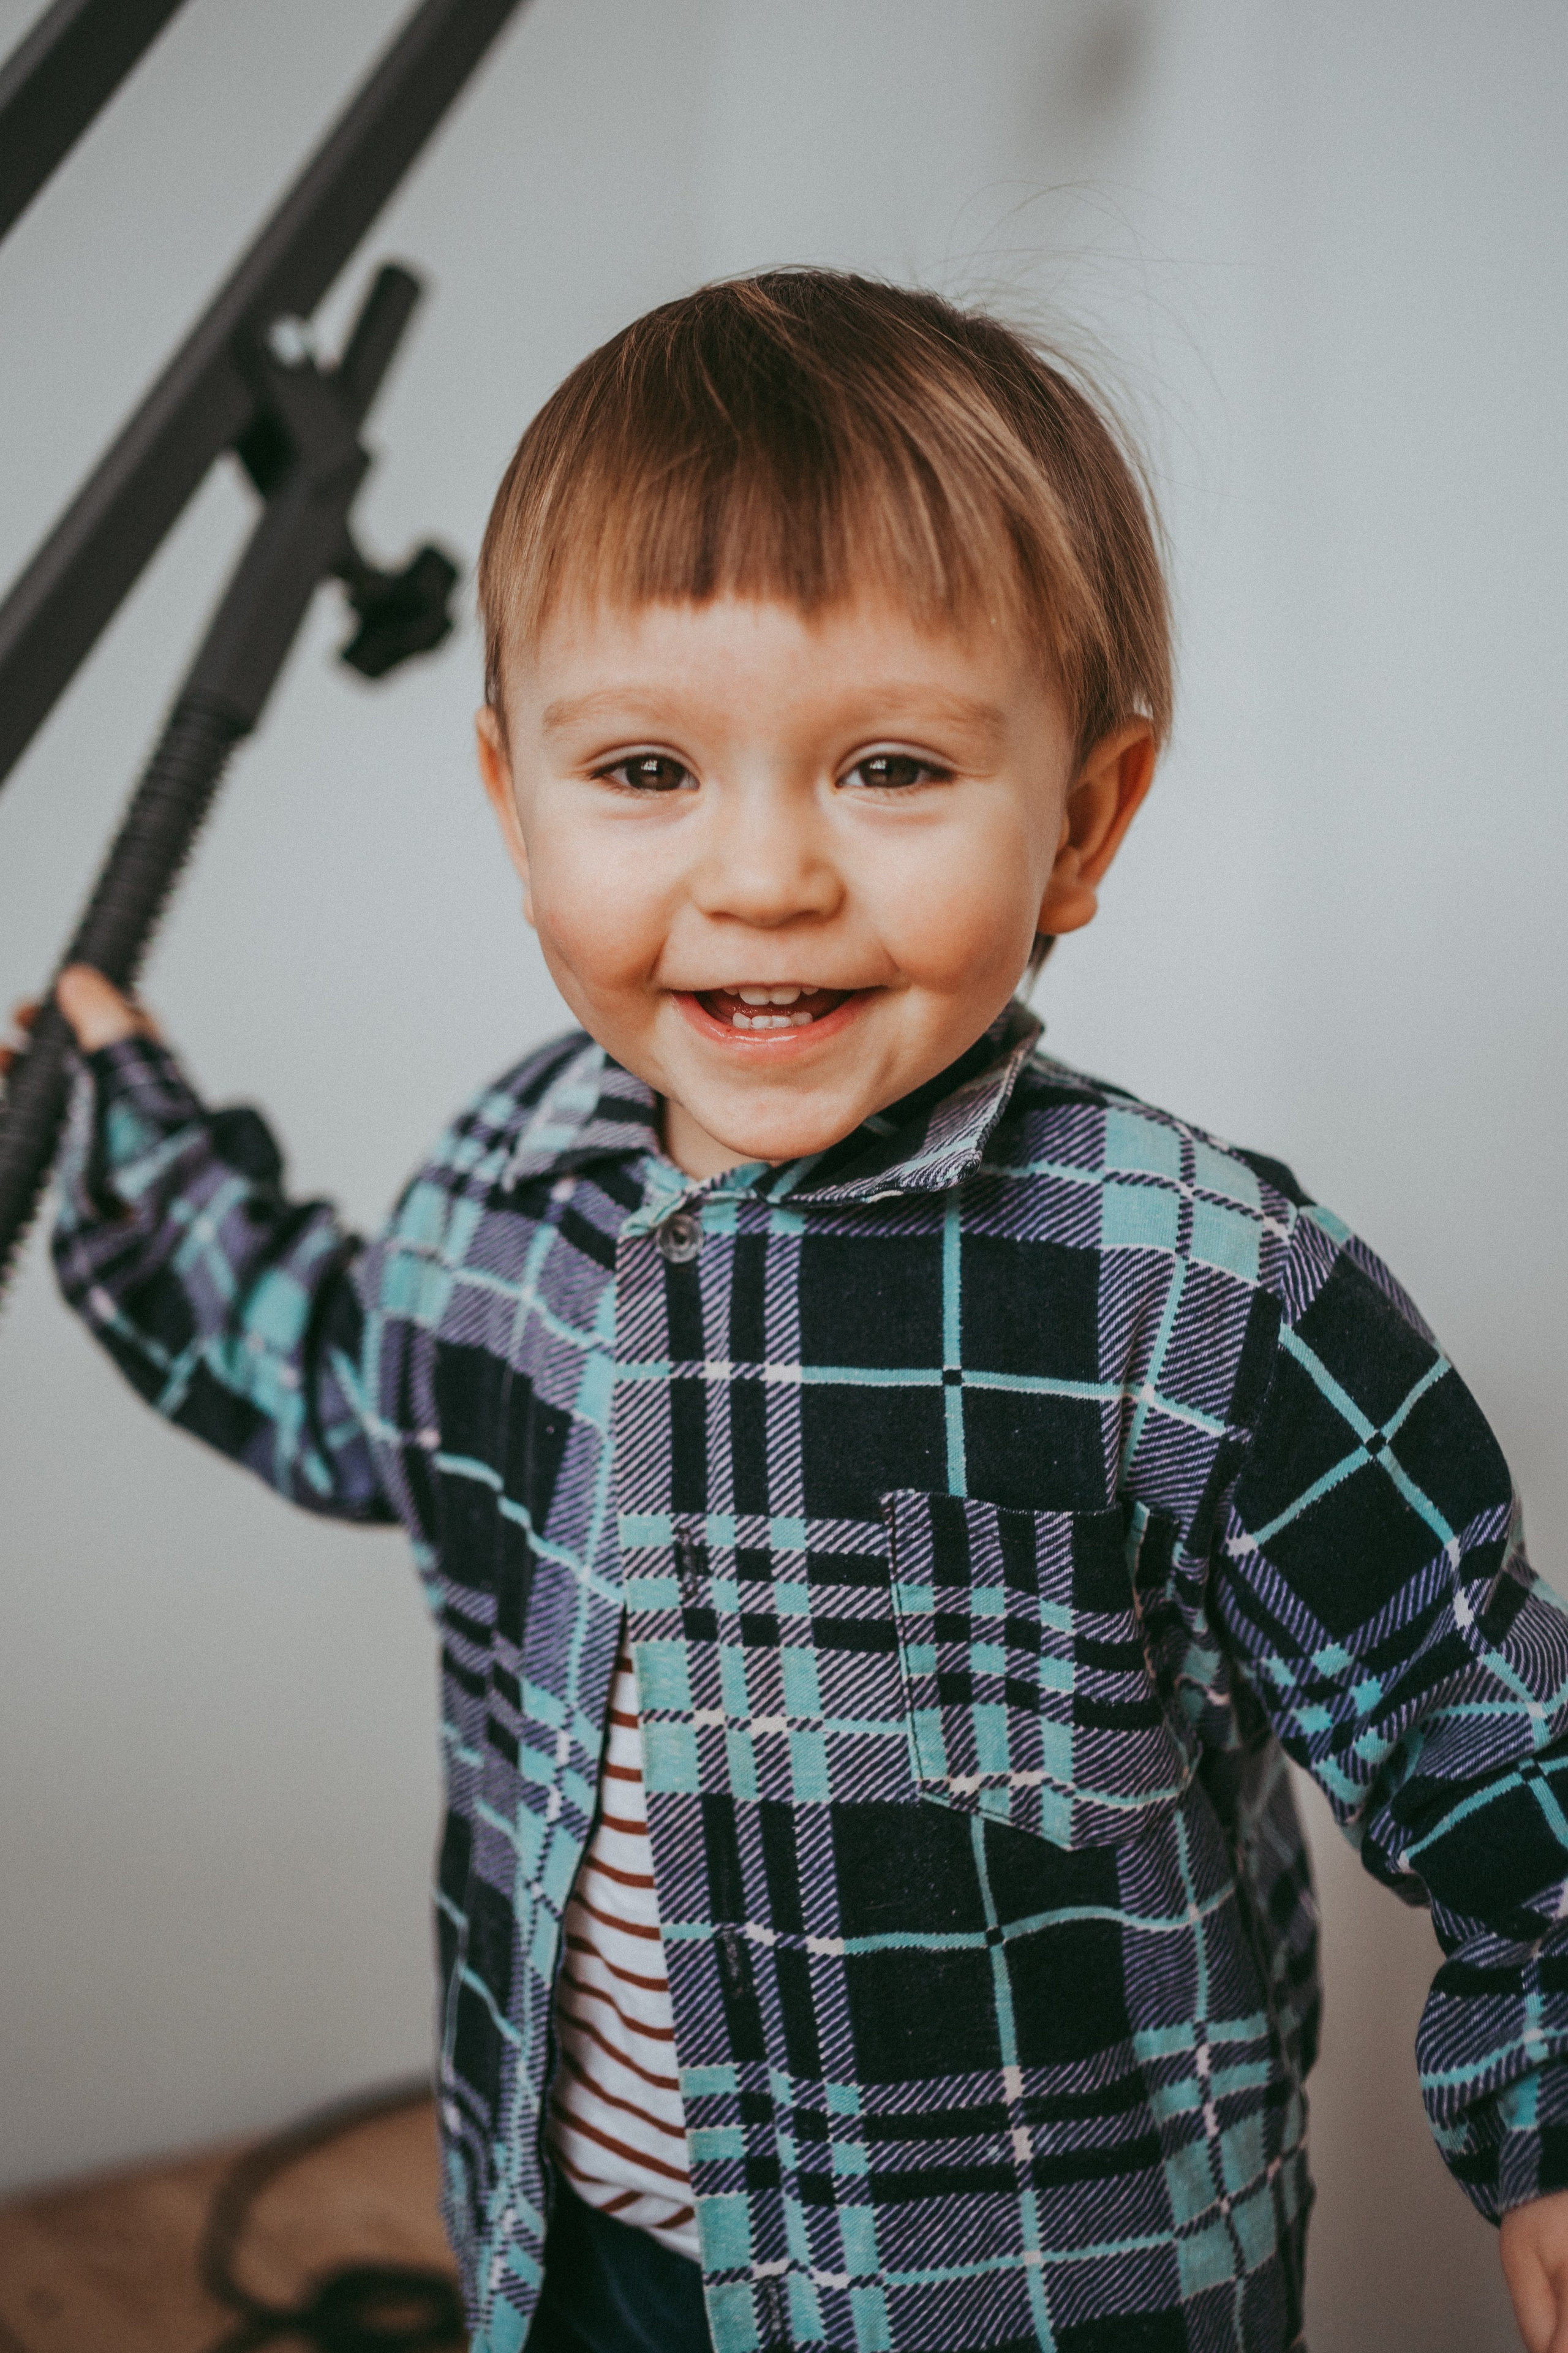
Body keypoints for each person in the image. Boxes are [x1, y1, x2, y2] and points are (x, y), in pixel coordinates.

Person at [10, 269, 1568, 2353]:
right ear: (512, 797)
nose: (761, 876)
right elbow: (338, 1374)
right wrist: (118, 1137)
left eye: (891, 767)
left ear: (1084, 820)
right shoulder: (511, 1176)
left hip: (1023, 2303)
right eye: (646, 768)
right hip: (578, 2245)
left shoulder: (1193, 1289)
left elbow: (1493, 1736)